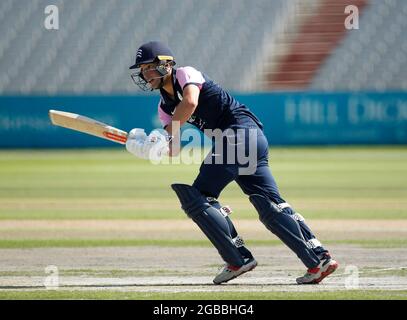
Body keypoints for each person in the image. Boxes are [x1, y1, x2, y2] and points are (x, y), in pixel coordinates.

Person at [126, 41, 338, 284]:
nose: (145, 75)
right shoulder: (164, 106)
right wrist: (150, 148)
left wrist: (167, 133)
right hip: (247, 141)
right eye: (142, 70)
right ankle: (318, 259)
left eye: (149, 68)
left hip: (240, 134)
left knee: (198, 198)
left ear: (166, 65)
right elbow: (173, 149)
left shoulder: (186, 73)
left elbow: (191, 103)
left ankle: (238, 259)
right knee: (269, 204)